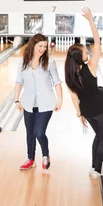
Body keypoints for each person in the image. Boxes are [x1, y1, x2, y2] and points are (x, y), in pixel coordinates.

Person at [64, 8, 103, 179]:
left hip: (87, 111)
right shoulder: (90, 67)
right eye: (85, 51)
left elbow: (74, 97)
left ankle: (94, 166)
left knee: (98, 136)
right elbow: (97, 42)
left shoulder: (69, 76)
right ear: (80, 57)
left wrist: (79, 114)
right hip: (100, 108)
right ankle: (97, 169)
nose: (88, 52)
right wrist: (91, 21)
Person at [15, 33, 63, 170]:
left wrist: (60, 100)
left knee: (39, 132)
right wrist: (16, 100)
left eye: (45, 46)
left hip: (46, 103)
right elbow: (19, 82)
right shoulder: (23, 62)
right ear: (33, 45)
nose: (43, 49)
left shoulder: (50, 62)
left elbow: (57, 82)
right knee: (30, 132)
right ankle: (30, 159)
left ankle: (45, 155)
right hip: (29, 103)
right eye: (40, 46)